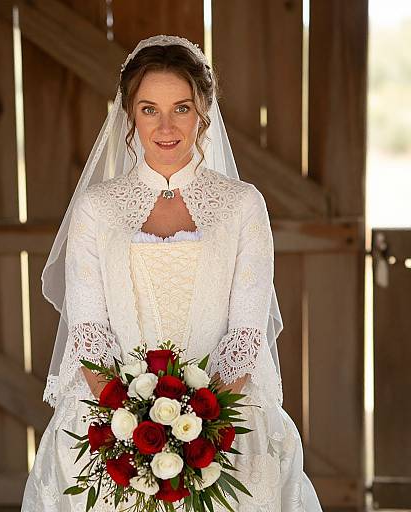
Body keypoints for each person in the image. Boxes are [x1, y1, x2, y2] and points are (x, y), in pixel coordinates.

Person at [21, 35, 323, 511]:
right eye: (148, 109)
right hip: (112, 424)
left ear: (204, 110)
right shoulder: (97, 209)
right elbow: (89, 333)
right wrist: (134, 427)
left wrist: (198, 427)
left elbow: (245, 335)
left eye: (180, 108)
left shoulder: (243, 206)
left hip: (222, 422)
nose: (165, 126)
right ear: (129, 115)